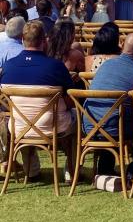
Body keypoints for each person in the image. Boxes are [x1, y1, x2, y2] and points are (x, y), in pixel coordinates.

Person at [0, 21, 78, 181]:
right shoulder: (55, 67)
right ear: (45, 40)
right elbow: (71, 99)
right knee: (78, 116)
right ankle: (71, 169)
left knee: (22, 117)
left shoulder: (9, 66)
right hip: (53, 126)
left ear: (22, 39)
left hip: (19, 126)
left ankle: (32, 169)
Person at [83, 33, 133, 175]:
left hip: (89, 126)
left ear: (122, 46)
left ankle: (105, 169)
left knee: (113, 113)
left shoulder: (105, 65)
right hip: (117, 129)